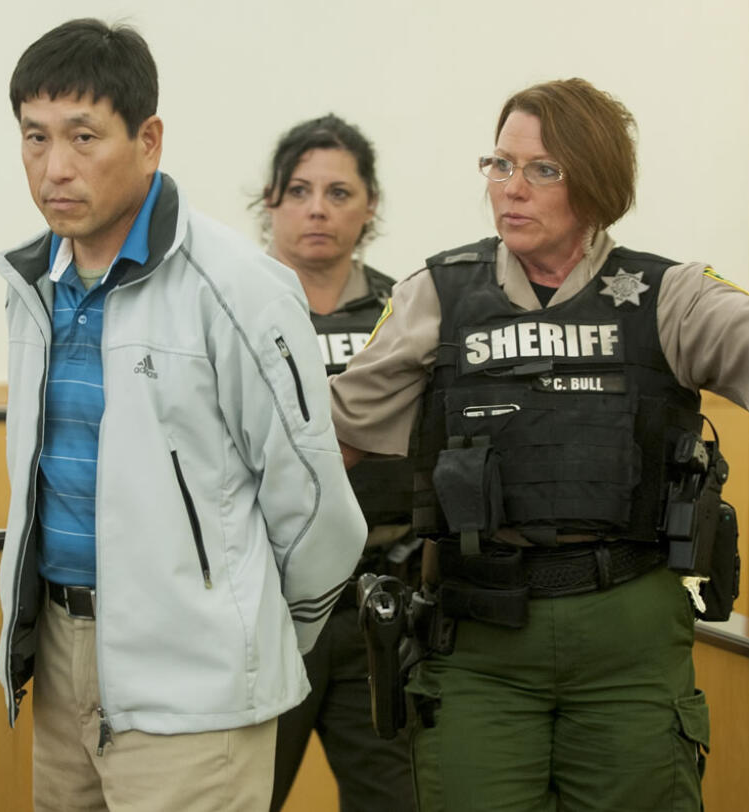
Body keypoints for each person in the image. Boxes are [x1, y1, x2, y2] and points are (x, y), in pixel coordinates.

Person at [328, 77, 749, 812]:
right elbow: (336, 431)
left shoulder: (666, 294)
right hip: (478, 642)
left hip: (625, 637)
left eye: (542, 170)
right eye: (499, 165)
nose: (511, 188)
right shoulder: (438, 294)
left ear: (595, 185)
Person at [0, 19, 366, 811]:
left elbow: (322, 518)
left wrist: (237, 640)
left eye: (83, 136)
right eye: (35, 137)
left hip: (196, 684)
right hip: (60, 660)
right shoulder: (33, 284)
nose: (55, 167)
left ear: (149, 139)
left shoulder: (238, 287)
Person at [255, 114, 418, 812]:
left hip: (379, 599)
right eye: (300, 190)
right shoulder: (233, 304)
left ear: (370, 205)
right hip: (266, 600)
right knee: (243, 794)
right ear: (271, 202)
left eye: (339, 192)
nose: (318, 208)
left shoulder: (407, 313)